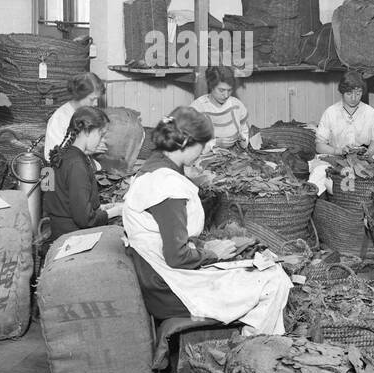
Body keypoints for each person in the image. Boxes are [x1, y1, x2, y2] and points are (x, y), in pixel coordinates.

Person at [122, 107, 291, 335]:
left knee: (259, 272)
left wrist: (204, 248)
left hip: (160, 277)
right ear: (185, 143)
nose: (204, 151)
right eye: (202, 145)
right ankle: (253, 348)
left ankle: (251, 341)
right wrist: (213, 254)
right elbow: (176, 256)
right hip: (172, 289)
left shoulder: (153, 167)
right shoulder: (167, 185)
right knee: (274, 279)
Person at [44, 106, 123, 248]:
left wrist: (103, 208)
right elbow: (85, 220)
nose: (102, 140)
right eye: (101, 134)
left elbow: (60, 199)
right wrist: (115, 212)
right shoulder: (77, 165)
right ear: (87, 131)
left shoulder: (62, 154)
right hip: (72, 237)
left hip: (57, 229)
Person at [308, 71, 374, 195]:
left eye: (358, 93)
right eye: (349, 94)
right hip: (335, 158)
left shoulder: (370, 113)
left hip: (363, 160)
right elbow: (319, 145)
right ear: (342, 92)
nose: (354, 98)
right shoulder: (331, 113)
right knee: (319, 175)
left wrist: (369, 152)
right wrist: (338, 151)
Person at [43, 72, 106, 161]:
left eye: (97, 99)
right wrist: (87, 150)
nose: (96, 104)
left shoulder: (88, 115)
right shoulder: (60, 118)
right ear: (79, 95)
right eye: (92, 99)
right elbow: (52, 157)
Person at [190, 65, 250, 150]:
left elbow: (245, 133)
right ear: (211, 86)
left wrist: (242, 140)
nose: (226, 95)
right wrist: (215, 143)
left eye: (229, 90)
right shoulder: (197, 108)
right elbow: (191, 145)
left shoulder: (237, 105)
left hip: (234, 154)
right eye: (221, 90)